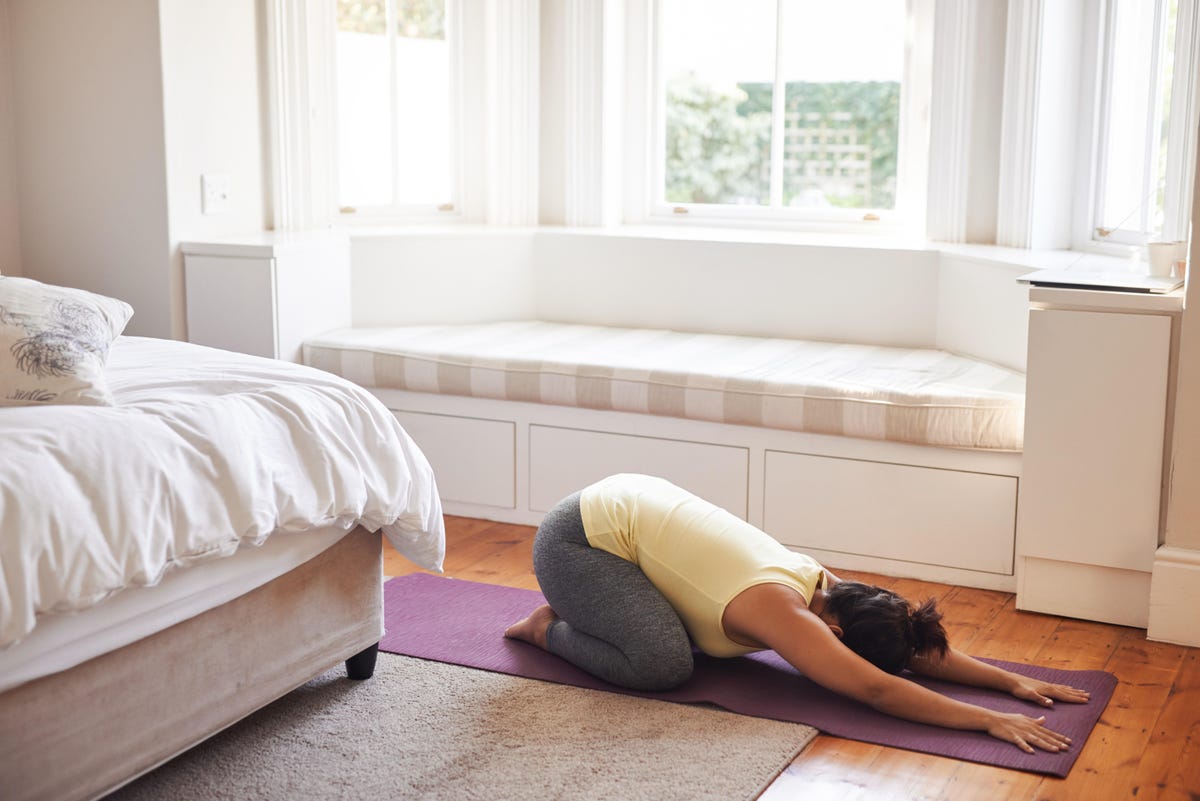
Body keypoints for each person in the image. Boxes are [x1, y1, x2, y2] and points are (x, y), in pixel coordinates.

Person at [505, 473, 1090, 754]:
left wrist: (1004, 679)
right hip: (576, 540)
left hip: (624, 508)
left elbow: (905, 653)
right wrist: (985, 719)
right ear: (833, 632)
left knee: (693, 641)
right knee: (664, 663)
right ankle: (548, 626)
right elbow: (879, 690)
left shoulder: (830, 588)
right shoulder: (780, 607)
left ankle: (599, 607)